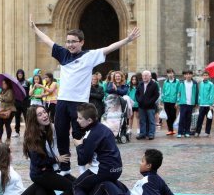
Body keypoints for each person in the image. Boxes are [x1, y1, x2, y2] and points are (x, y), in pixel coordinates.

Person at [30, 14, 140, 175]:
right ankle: (65, 168)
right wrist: (35, 29)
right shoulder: (62, 54)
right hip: (62, 101)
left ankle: (82, 166)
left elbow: (110, 47)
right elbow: (48, 41)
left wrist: (128, 40)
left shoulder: (90, 56)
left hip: (78, 103)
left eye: (73, 41)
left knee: (79, 135)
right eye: (68, 41)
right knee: (60, 135)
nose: (70, 44)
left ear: (81, 42)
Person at [70, 103, 123, 195]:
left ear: (89, 120)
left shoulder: (91, 133)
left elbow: (83, 159)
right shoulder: (103, 128)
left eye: (79, 118)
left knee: (77, 185)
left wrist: (79, 145)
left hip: (103, 169)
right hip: (117, 168)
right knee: (96, 186)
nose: (77, 120)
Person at [23, 105, 73, 195]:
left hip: (48, 170)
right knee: (72, 187)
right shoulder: (32, 136)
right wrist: (57, 159)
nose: (44, 115)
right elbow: (38, 162)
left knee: (76, 185)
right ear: (34, 119)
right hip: (40, 174)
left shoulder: (46, 130)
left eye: (44, 112)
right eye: (39, 114)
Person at [136, 71, 159, 140]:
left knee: (151, 120)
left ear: (150, 76)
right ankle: (142, 133)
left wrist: (150, 102)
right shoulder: (140, 84)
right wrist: (139, 100)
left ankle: (151, 134)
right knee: (142, 120)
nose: (144, 77)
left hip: (150, 106)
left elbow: (156, 95)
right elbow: (137, 94)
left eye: (146, 75)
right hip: (141, 106)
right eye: (143, 76)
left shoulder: (154, 84)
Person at [176, 70, 198, 138]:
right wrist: (178, 101)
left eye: (189, 74)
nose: (188, 76)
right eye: (186, 74)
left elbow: (197, 93)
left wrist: (196, 102)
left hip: (191, 103)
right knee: (182, 118)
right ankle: (180, 132)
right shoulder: (181, 83)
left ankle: (187, 132)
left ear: (192, 75)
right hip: (183, 103)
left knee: (189, 118)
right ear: (184, 75)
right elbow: (178, 93)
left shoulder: (194, 83)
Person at [0, 78, 16, 145]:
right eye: (2, 83)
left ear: (8, 84)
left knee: (7, 125)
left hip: (9, 110)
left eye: (4, 83)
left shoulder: (10, 91)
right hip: (1, 110)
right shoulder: (2, 91)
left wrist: (0, 96)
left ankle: (8, 138)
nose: (3, 85)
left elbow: (9, 99)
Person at [195, 71, 214, 137]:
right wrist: (198, 102)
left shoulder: (211, 84)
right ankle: (197, 131)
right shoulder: (201, 84)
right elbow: (199, 94)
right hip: (202, 104)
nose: (205, 76)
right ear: (202, 76)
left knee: (209, 119)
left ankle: (207, 132)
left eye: (206, 75)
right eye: (204, 75)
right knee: (200, 119)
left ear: (208, 76)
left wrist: (211, 104)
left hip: (209, 105)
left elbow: (212, 94)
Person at [161, 69, 180, 135]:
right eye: (168, 73)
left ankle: (170, 128)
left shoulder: (177, 82)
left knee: (173, 115)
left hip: (173, 101)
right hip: (166, 101)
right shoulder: (165, 82)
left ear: (173, 73)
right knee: (168, 116)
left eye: (171, 73)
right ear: (167, 74)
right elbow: (163, 91)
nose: (170, 74)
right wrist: (162, 100)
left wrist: (177, 101)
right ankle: (170, 129)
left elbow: (178, 92)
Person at [13, 69, 30, 138]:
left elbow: (29, 92)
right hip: (17, 102)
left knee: (27, 117)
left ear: (23, 75)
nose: (20, 75)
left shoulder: (26, 82)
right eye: (18, 74)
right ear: (17, 75)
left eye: (21, 74)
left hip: (25, 102)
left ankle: (28, 131)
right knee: (17, 117)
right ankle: (17, 132)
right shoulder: (15, 82)